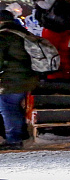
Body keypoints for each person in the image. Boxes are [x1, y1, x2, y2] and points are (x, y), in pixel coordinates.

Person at [0, 10, 39, 150]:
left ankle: (14, 139)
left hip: (13, 79)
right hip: (28, 77)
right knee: (14, 107)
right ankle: (20, 135)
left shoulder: (4, 36)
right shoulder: (23, 33)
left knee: (7, 107)